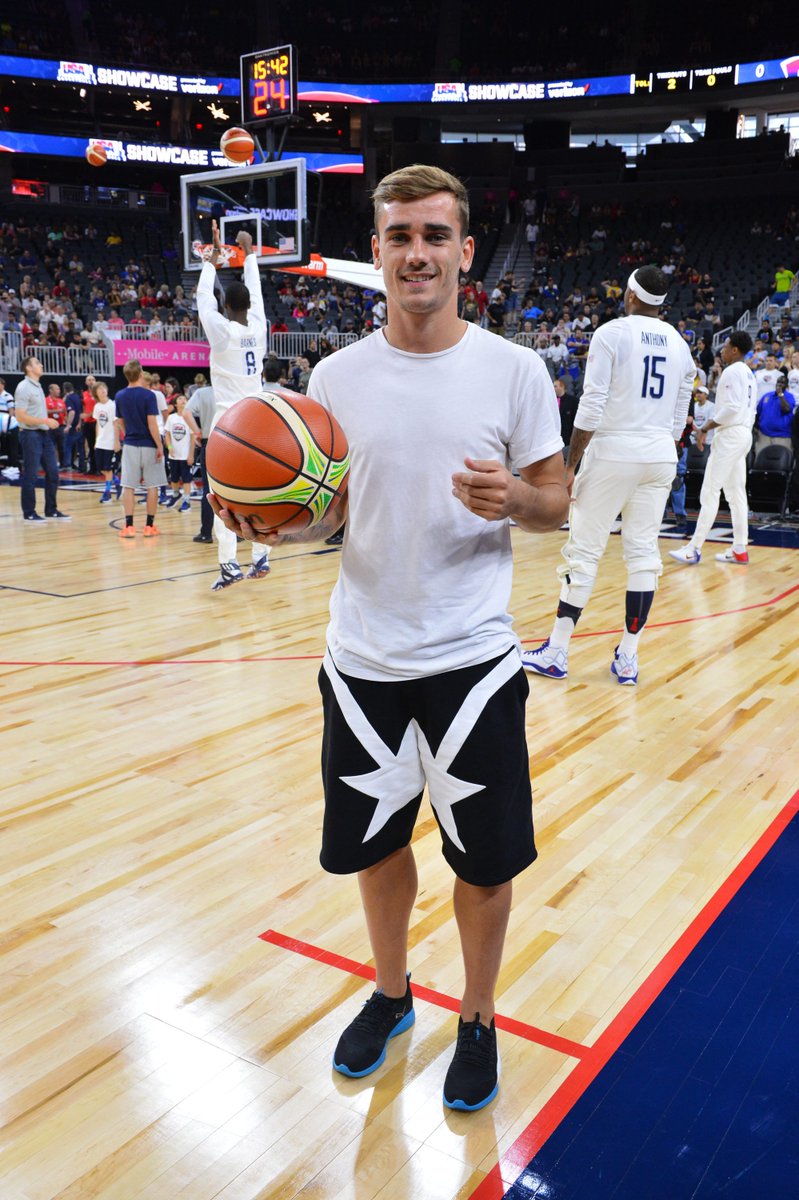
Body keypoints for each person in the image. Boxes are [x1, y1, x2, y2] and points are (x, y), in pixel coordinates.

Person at [211, 163, 569, 1112]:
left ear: (462, 252)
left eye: (435, 235)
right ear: (377, 252)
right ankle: (391, 992)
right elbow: (329, 517)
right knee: (374, 850)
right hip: (363, 658)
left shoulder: (514, 369)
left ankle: (479, 1015)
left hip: (473, 664)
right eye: (400, 236)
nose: (417, 252)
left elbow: (556, 501)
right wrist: (278, 524)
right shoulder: (334, 377)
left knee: (484, 863)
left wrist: (520, 500)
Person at [522, 265, 694, 686]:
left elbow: (592, 404)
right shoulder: (680, 343)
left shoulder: (612, 333)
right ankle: (628, 659)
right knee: (643, 555)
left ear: (631, 296)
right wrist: (663, 445)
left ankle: (557, 652)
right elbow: (680, 409)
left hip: (615, 449)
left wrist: (570, 464)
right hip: (659, 454)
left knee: (584, 551)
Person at [197, 219, 271, 589]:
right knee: (256, 492)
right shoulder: (258, 330)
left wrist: (212, 260)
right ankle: (260, 556)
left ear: (226, 305)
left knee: (221, 496)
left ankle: (229, 564)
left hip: (228, 425)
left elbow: (201, 301)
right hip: (256, 422)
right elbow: (256, 296)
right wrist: (250, 254)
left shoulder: (223, 334)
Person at [669, 332, 756, 568]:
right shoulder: (749, 374)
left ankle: (694, 548)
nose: (722, 350)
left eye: (726, 346)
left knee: (710, 490)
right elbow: (747, 409)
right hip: (743, 433)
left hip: (730, 435)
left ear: (735, 350)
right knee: (735, 492)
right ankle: (739, 549)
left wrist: (705, 426)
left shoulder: (731, 371)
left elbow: (731, 409)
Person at [114, 358, 167, 538]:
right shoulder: (149, 395)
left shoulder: (120, 395)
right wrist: (160, 445)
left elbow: (120, 422)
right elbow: (152, 424)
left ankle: (128, 526)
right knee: (152, 486)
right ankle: (149, 526)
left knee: (128, 486)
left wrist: (128, 433)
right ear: (140, 372)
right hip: (149, 445)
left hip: (130, 444)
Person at [14, 355, 71, 522]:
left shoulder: (38, 385)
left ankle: (51, 510)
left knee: (53, 473)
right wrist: (45, 421)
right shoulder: (24, 387)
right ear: (29, 368)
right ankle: (29, 512)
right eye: (37, 363)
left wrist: (46, 423)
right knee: (31, 475)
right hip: (30, 434)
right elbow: (20, 416)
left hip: (44, 435)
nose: (41, 364)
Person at [186, 382, 216, 543]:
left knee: (208, 489)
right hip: (231, 444)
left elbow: (186, 412)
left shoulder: (202, 393)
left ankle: (206, 533)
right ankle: (237, 534)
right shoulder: (232, 391)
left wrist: (197, 431)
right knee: (232, 490)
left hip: (209, 442)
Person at [163, 394, 198, 512]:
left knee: (186, 479)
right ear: (175, 404)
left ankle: (187, 500)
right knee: (174, 478)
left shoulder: (189, 418)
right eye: (180, 399)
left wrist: (191, 455)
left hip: (185, 455)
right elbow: (167, 434)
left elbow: (193, 438)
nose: (183, 400)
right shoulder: (171, 418)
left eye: (185, 399)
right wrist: (170, 447)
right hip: (173, 455)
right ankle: (175, 495)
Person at [91, 380, 121, 503]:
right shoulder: (97, 406)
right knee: (101, 468)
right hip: (100, 442)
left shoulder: (112, 405)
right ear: (96, 393)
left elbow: (116, 424)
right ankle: (118, 482)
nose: (103, 390)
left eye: (104, 388)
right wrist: (96, 440)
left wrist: (117, 441)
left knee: (108, 469)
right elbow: (98, 424)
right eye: (100, 389)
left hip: (110, 441)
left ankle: (107, 493)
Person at [753, 374, 795, 456]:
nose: (779, 384)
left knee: (780, 463)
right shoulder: (766, 396)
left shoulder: (789, 397)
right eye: (778, 382)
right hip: (764, 435)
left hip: (782, 437)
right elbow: (757, 413)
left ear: (787, 385)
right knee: (761, 462)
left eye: (782, 383)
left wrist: (781, 395)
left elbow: (786, 409)